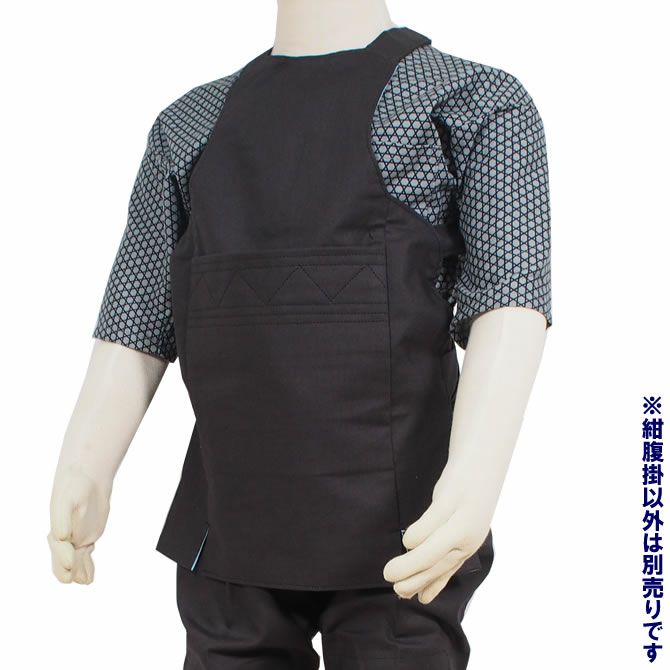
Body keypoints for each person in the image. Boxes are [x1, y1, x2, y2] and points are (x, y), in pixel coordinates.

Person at [48, 1, 552, 668]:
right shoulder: (187, 126)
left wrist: (474, 481)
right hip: (228, 533)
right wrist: (85, 465)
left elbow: (510, 298)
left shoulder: (469, 102)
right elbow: (137, 317)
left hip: (404, 539)